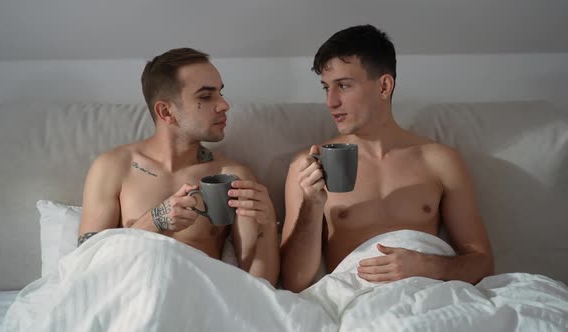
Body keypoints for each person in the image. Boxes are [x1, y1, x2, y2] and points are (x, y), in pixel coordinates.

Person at [280, 25, 493, 292]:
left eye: (343, 86)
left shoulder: (440, 161)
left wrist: (432, 267)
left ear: (384, 86)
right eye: (326, 88)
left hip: (430, 293)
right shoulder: (308, 165)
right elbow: (293, 282)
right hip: (358, 300)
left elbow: (483, 263)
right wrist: (312, 205)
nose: (330, 102)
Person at [78, 48, 279, 286]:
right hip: (133, 295)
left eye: (220, 93)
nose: (224, 105)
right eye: (205, 97)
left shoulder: (231, 175)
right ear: (166, 111)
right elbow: (85, 267)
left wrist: (267, 222)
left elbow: (259, 285)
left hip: (199, 303)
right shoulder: (114, 167)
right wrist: (155, 221)